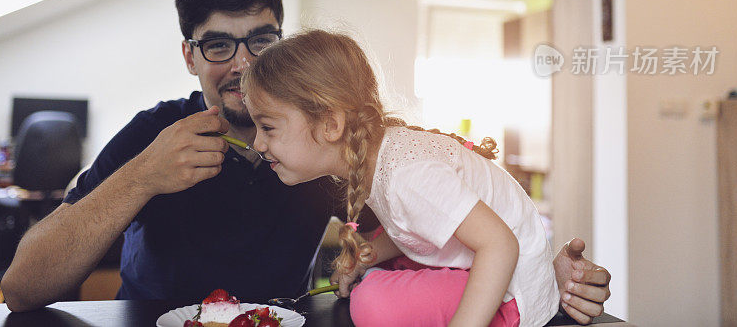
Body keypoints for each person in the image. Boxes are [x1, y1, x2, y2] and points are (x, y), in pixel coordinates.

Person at [1, 0, 610, 325]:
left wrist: (546, 274)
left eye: (261, 41)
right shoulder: (151, 134)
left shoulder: (324, 144)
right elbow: (24, 288)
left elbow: (441, 227)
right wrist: (141, 177)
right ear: (189, 56)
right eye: (218, 45)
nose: (241, 65)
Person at [241, 29, 565, 326]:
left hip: (511, 294)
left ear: (330, 124)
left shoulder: (408, 174)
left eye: (268, 127)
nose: (257, 143)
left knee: (374, 303)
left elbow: (500, 244)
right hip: (479, 268)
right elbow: (419, 223)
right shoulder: (381, 160)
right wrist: (368, 257)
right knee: (375, 286)